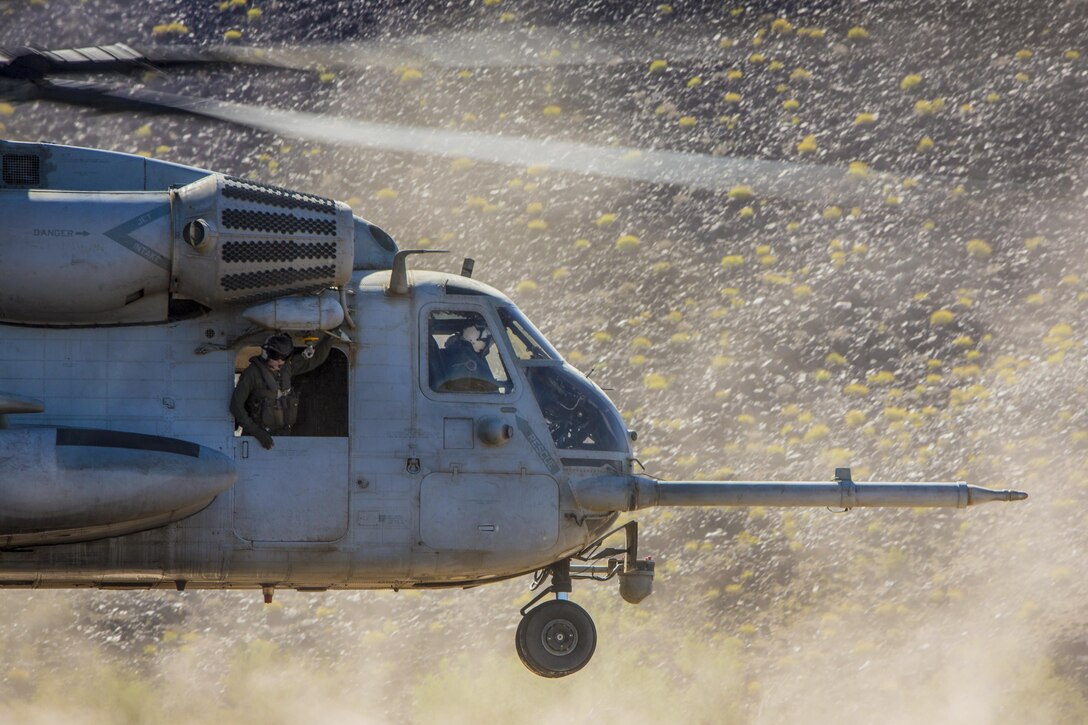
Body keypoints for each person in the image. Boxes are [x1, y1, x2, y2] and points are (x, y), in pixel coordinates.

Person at [230, 332, 333, 450]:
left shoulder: (286, 368)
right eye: (275, 356)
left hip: (283, 436)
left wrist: (330, 338)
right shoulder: (251, 374)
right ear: (266, 353)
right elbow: (236, 406)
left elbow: (313, 360)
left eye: (284, 357)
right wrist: (258, 434)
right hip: (256, 439)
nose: (280, 361)